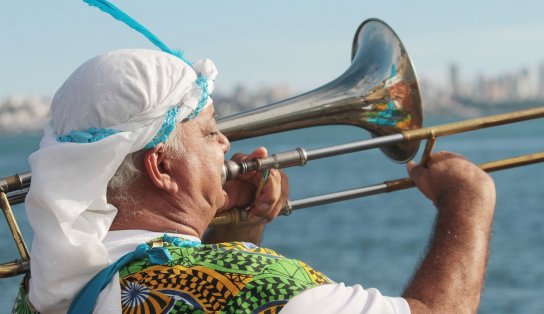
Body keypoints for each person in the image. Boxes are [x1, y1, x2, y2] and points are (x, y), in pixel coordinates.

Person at [11, 48, 496, 314]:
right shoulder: (255, 287)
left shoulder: (44, 289)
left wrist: (232, 229)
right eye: (209, 131)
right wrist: (467, 203)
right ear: (160, 168)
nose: (225, 144)